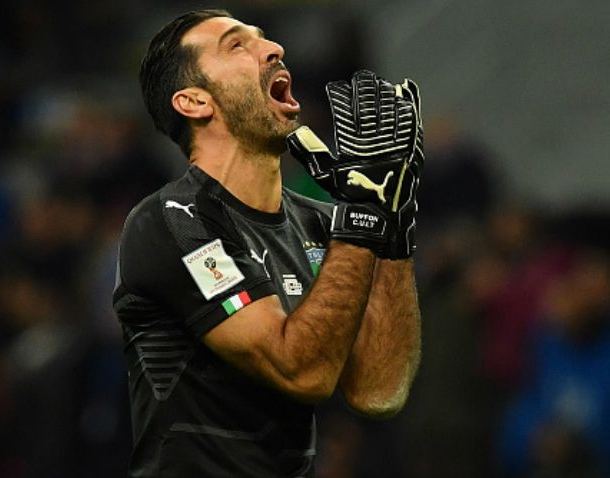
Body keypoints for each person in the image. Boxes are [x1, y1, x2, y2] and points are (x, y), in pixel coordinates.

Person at [113, 9, 422, 477]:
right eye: (237, 45)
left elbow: (378, 391)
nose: (274, 49)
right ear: (194, 101)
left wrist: (390, 222)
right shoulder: (172, 220)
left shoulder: (325, 226)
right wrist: (361, 217)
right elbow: (302, 371)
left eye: (265, 38)